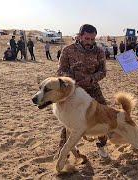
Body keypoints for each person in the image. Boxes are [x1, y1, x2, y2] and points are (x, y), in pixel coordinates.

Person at [57, 24, 109, 158]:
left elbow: (103, 71)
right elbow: (61, 71)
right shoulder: (68, 50)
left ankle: (102, 145)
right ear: (80, 36)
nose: (90, 42)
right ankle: (64, 152)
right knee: (69, 121)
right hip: (73, 90)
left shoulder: (99, 51)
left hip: (93, 89)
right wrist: (73, 81)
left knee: (104, 116)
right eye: (87, 38)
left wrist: (91, 79)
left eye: (92, 39)